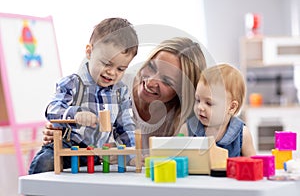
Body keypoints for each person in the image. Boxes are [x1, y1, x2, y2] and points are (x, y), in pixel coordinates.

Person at [42, 37, 207, 160]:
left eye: (166, 81)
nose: (150, 81)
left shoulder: (184, 122)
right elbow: (67, 112)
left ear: (182, 91)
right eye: (151, 66)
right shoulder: (116, 83)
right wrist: (62, 130)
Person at [28, 17, 139, 174]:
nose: (112, 72)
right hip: (66, 147)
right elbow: (52, 109)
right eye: (107, 64)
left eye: (120, 69)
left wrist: (132, 152)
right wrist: (76, 113)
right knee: (46, 163)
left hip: (95, 155)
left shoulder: (121, 92)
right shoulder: (72, 83)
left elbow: (125, 126)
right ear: (89, 52)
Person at [180, 63, 256, 157]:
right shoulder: (187, 129)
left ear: (231, 107)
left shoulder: (243, 135)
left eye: (209, 103)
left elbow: (254, 165)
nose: (200, 107)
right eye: (198, 100)